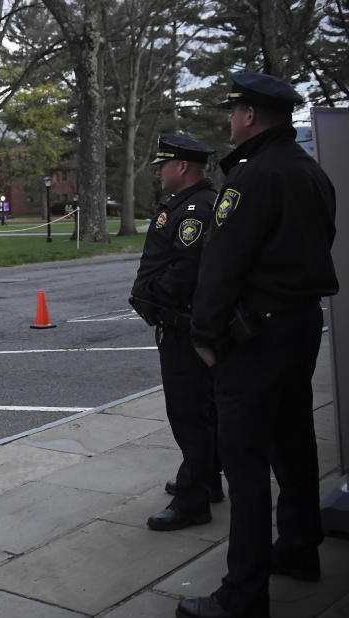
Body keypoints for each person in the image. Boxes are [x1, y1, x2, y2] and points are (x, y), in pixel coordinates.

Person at [177, 73, 338, 618]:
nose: (229, 119)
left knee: (244, 465)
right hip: (298, 326)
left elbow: (222, 264)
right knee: (294, 442)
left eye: (234, 111)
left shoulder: (252, 177)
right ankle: (298, 549)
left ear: (249, 116)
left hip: (255, 337)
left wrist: (204, 335)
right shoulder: (309, 172)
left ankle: (242, 596)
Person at [130, 133, 222, 533]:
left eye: (163, 165)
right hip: (180, 324)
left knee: (189, 414)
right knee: (202, 411)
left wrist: (152, 295)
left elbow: (186, 271)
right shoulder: (188, 203)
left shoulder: (196, 209)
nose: (159, 173)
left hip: (183, 327)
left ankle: (193, 501)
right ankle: (204, 478)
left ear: (182, 167)